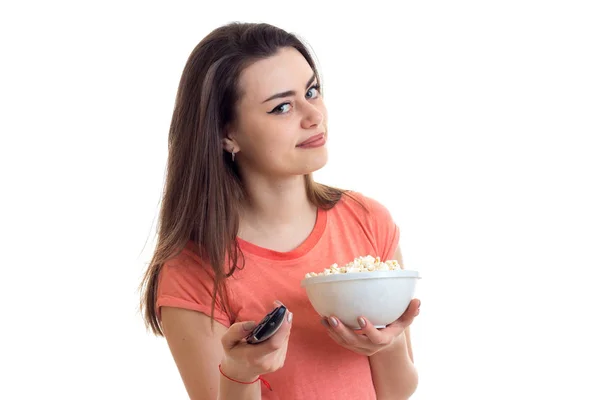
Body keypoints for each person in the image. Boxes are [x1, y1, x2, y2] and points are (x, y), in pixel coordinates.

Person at [139, 21, 421, 400]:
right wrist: (240, 374)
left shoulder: (367, 220)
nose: (313, 115)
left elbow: (398, 392)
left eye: (312, 91)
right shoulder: (193, 267)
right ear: (227, 135)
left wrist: (384, 345)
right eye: (282, 107)